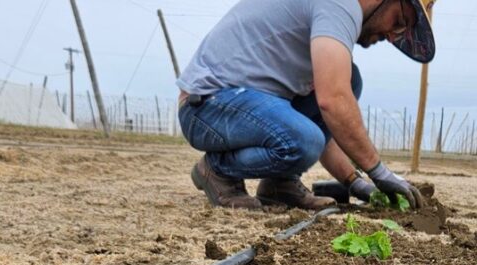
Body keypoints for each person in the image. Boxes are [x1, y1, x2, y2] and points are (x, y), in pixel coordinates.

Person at [177, 0, 434, 211]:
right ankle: (217, 170)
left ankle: (281, 185)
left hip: (243, 103)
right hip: (207, 104)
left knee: (349, 79)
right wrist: (379, 172)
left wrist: (355, 183)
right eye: (398, 22)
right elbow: (332, 102)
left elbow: (324, 126)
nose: (391, 36)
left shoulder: (331, 19)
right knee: (307, 135)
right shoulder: (340, 5)